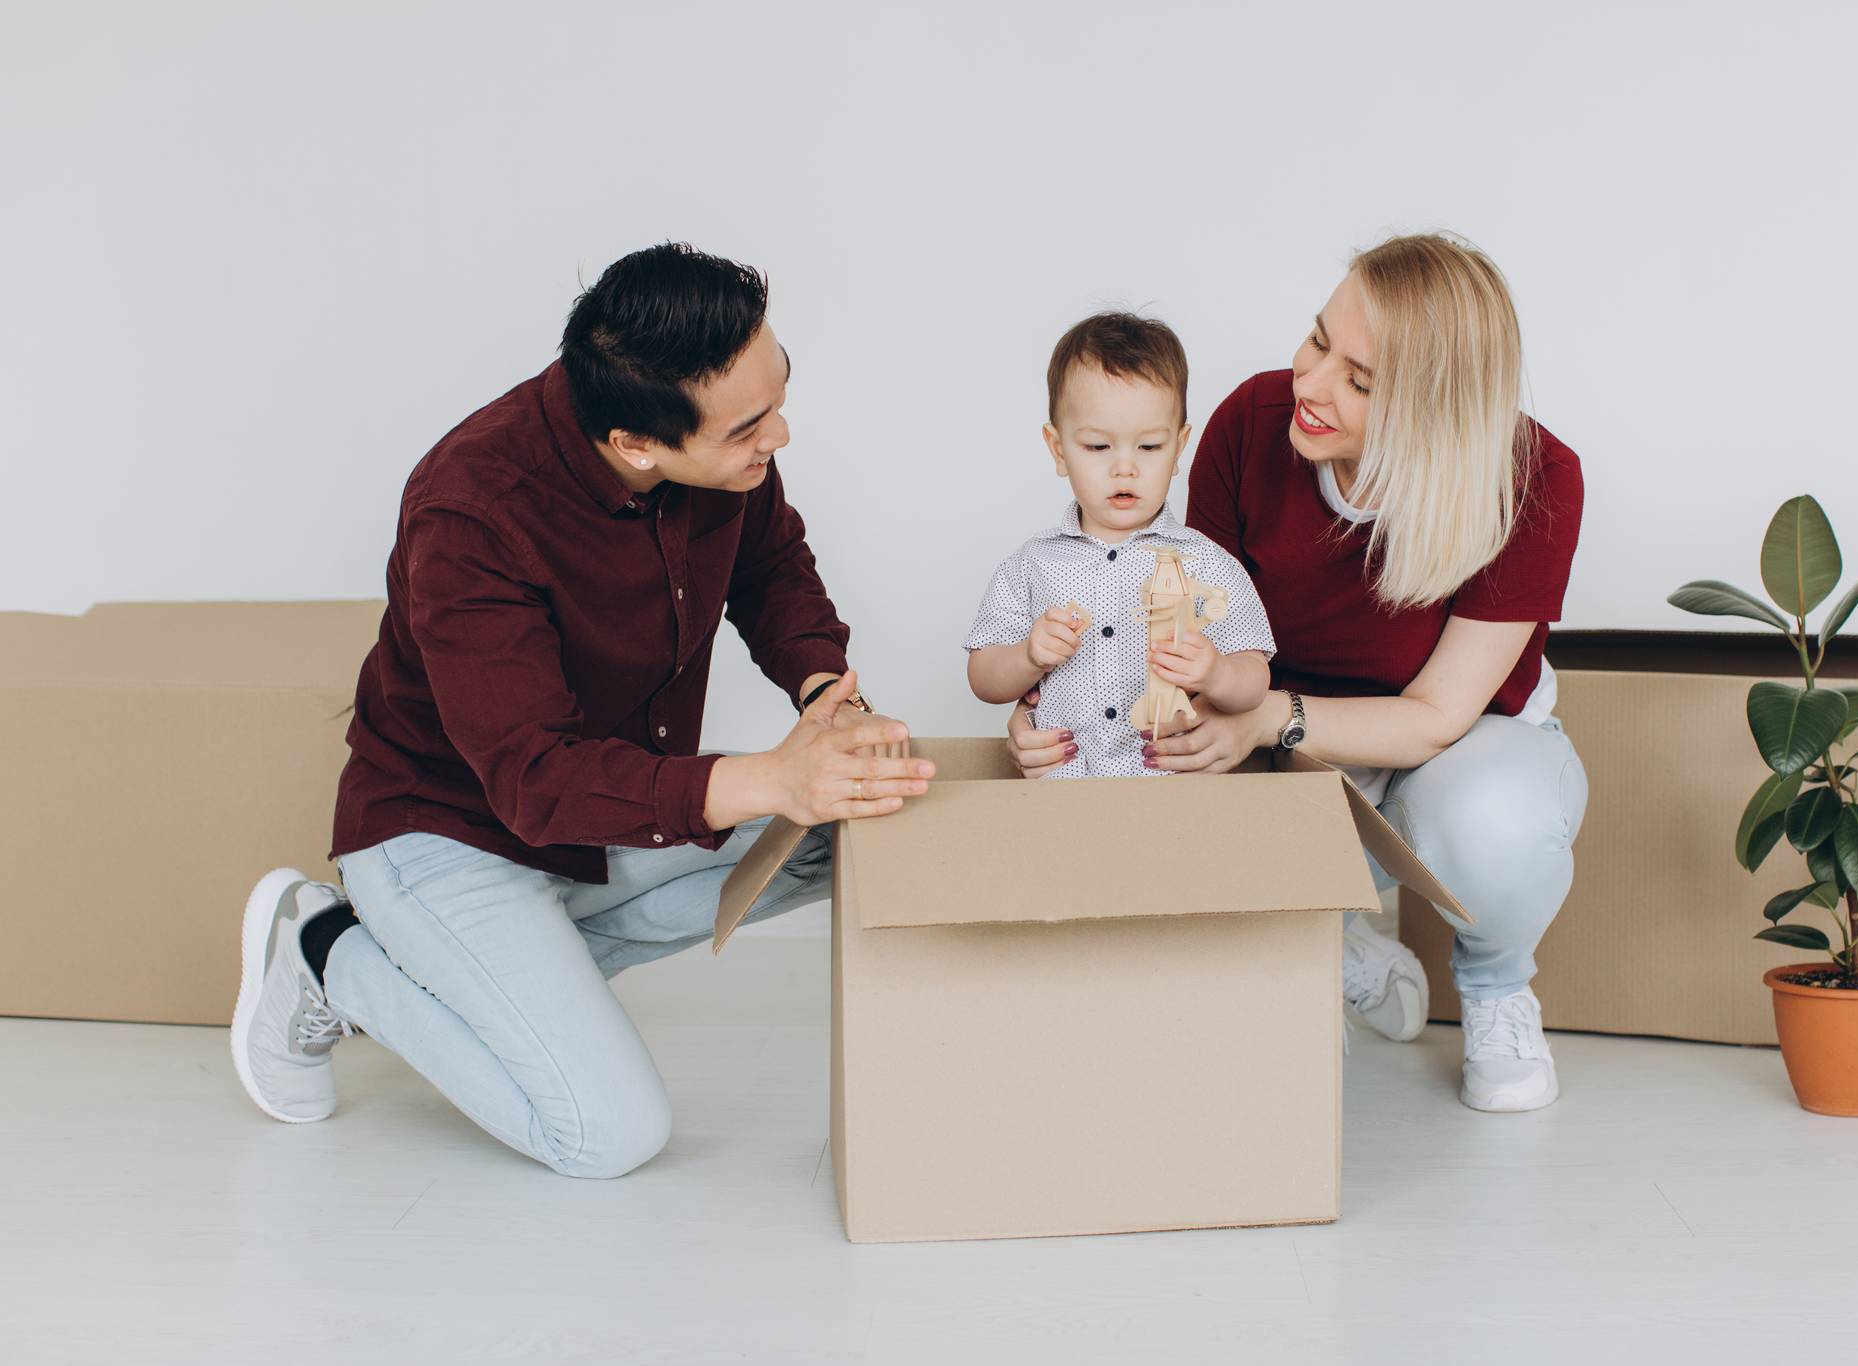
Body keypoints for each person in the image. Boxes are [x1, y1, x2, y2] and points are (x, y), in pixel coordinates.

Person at [228, 244, 934, 1177]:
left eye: (782, 395)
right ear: (638, 446)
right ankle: (331, 952)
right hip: (450, 832)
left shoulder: (719, 453)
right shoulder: (472, 509)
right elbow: (534, 779)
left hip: (602, 818)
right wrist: (770, 776)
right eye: (750, 427)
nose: (782, 437)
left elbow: (770, 570)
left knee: (838, 830)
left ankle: (479, 976)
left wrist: (825, 696)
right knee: (606, 1135)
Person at [1007, 235, 1587, 1112]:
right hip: (1282, 745)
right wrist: (1051, 712)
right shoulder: (1250, 424)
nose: (1310, 385)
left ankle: (1497, 984)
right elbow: (1168, 632)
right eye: (1318, 340)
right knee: (1141, 784)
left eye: (1360, 380)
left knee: (1494, 820)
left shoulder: (1534, 480)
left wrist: (1266, 717)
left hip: (1455, 747)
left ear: (1434, 411)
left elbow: (1436, 712)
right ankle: (1335, 943)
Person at [965, 312, 1274, 778]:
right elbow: (983, 676)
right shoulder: (1032, 564)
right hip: (1062, 789)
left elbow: (1255, 674)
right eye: (1097, 447)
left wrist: (1217, 674)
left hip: (1169, 788)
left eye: (1149, 447)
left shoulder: (1206, 562)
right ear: (1058, 449)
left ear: (1178, 447)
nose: (1125, 468)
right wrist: (1027, 655)